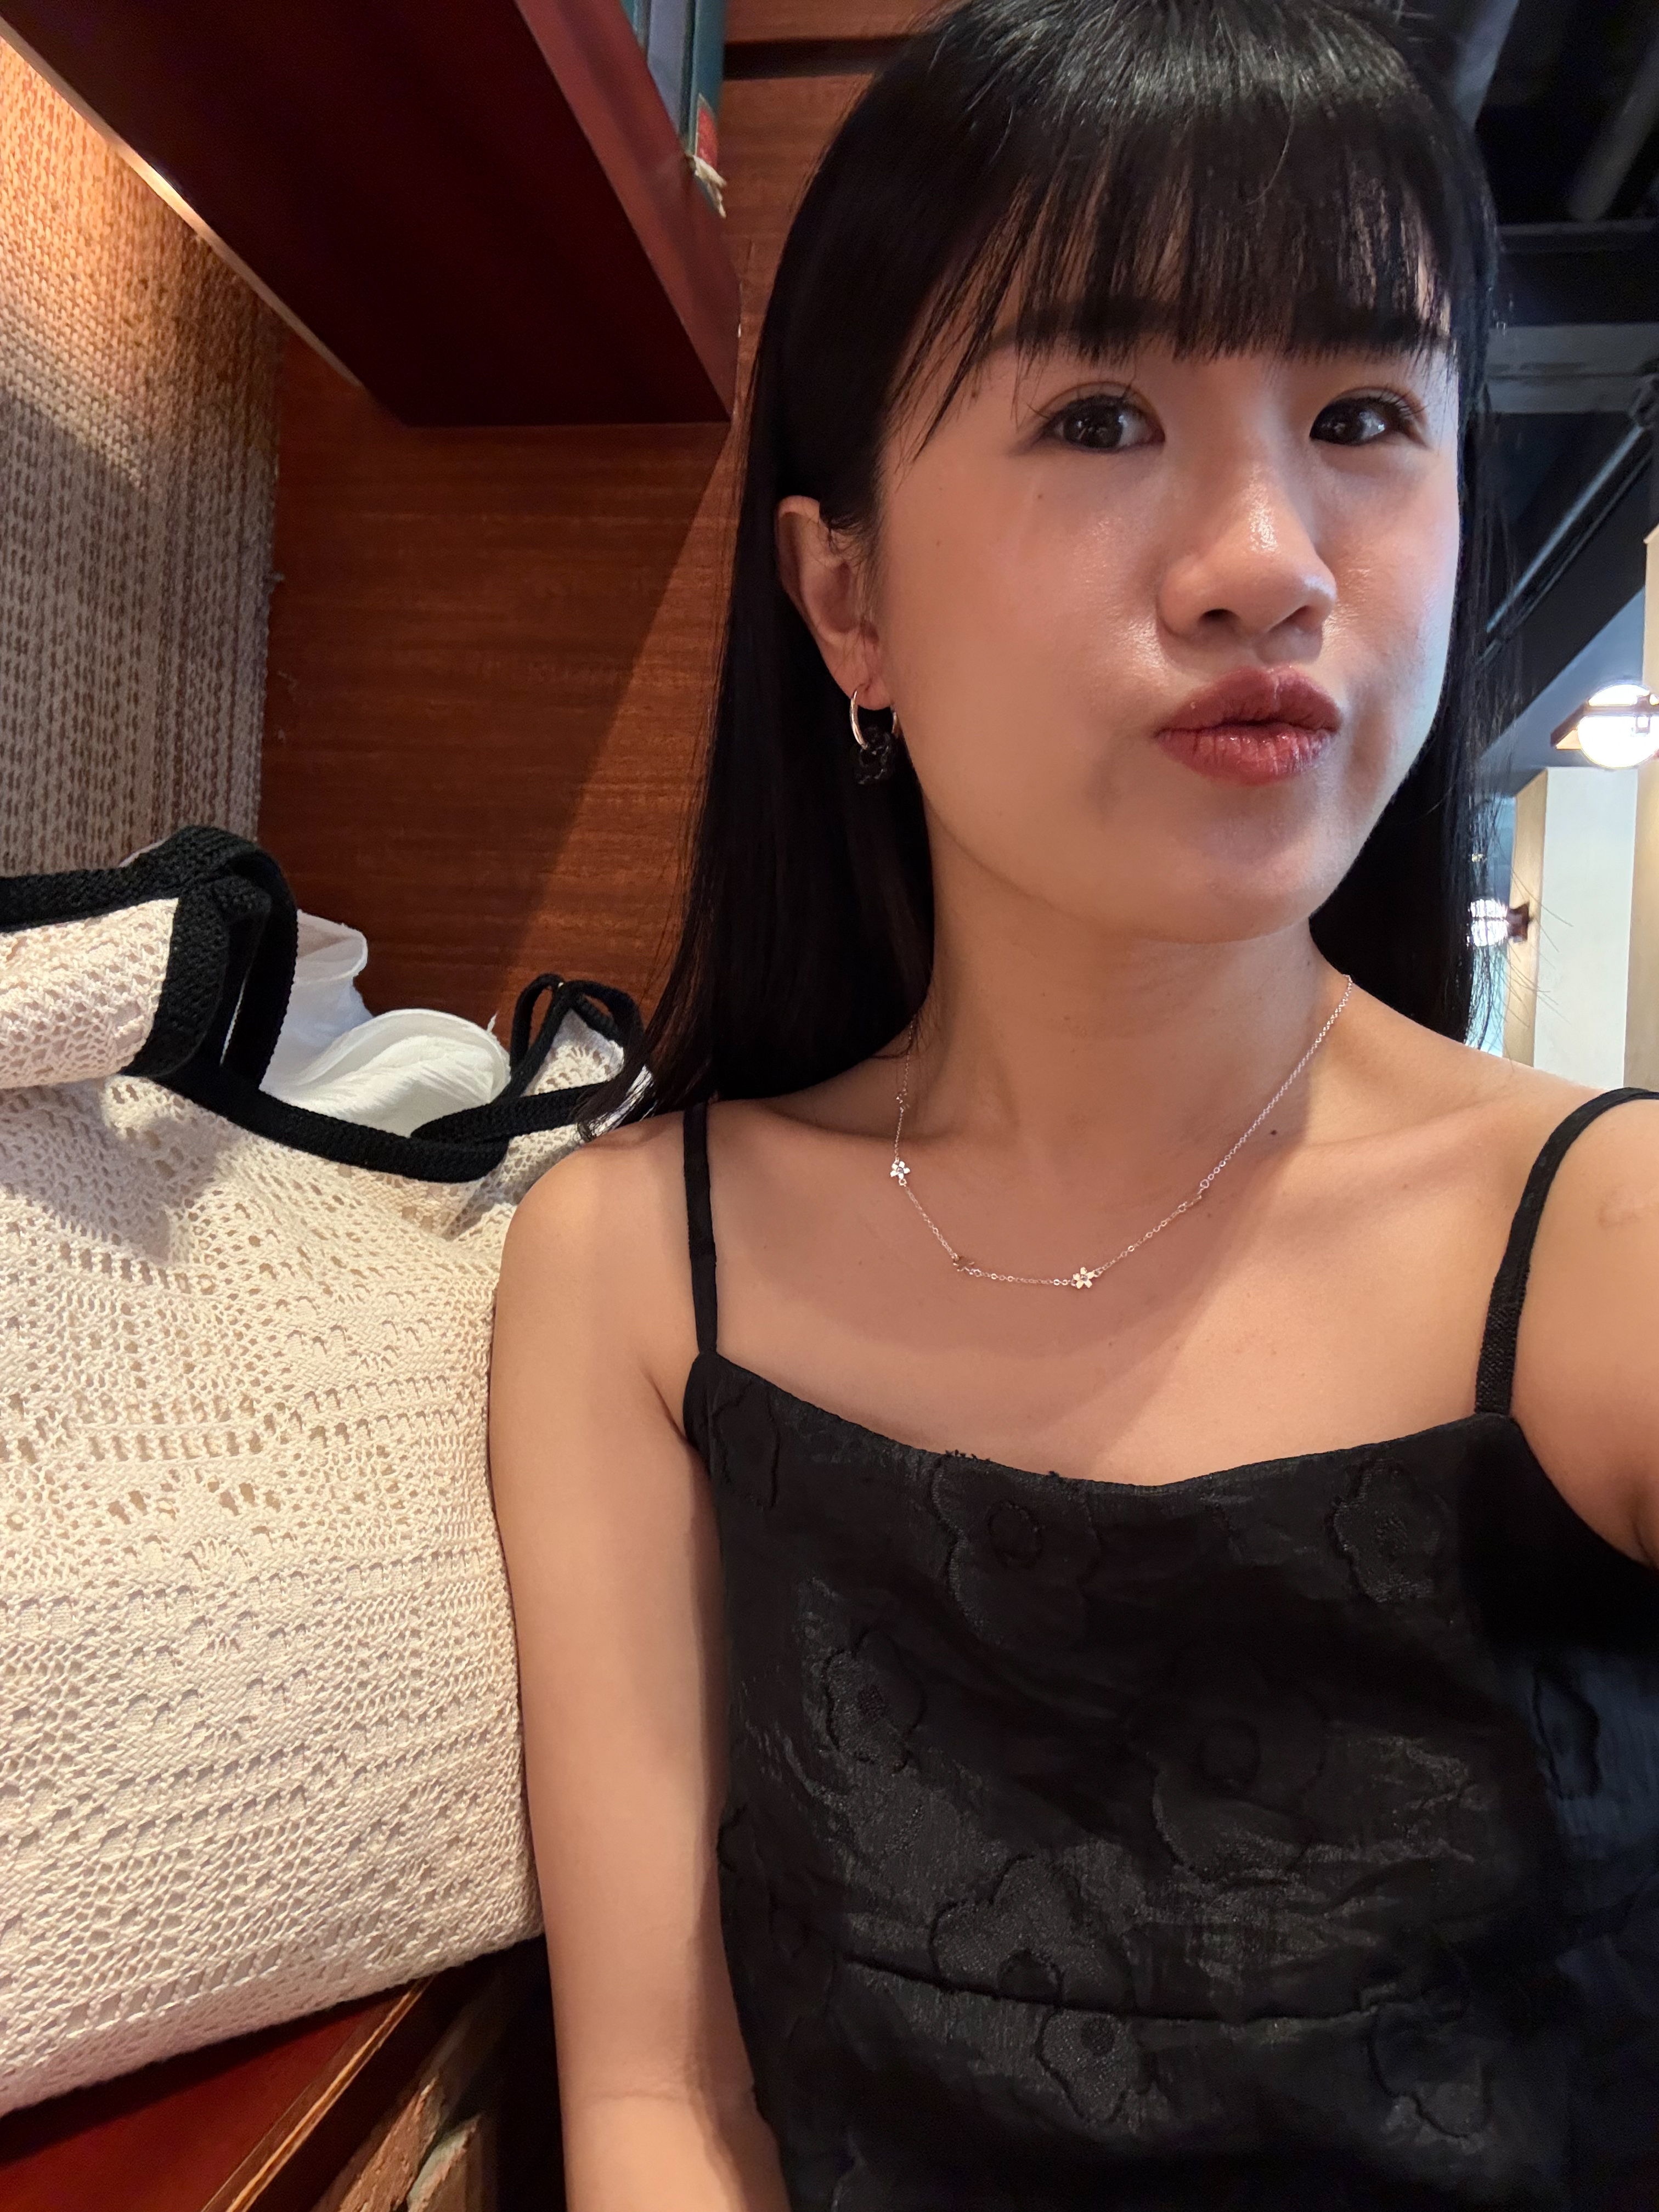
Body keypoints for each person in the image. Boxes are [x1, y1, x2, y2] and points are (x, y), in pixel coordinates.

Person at [488, 0, 1659, 2202]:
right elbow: (659, 2103)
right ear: (847, 597)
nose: (1267, 560)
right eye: (1102, 415)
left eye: (1364, 416)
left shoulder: (1610, 1247)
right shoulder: (637, 1271)